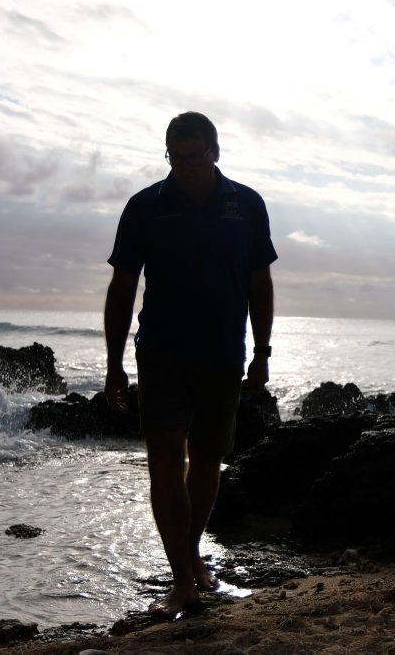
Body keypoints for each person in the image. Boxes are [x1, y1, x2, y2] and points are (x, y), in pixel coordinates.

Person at [103, 112, 278, 617]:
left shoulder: (246, 205)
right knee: (164, 459)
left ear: (215, 153)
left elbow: (259, 284)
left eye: (195, 158)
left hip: (223, 352)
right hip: (159, 350)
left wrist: (262, 353)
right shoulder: (145, 206)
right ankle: (183, 579)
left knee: (206, 460)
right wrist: (114, 364)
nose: (185, 168)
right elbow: (122, 287)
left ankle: (190, 555)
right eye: (175, 159)